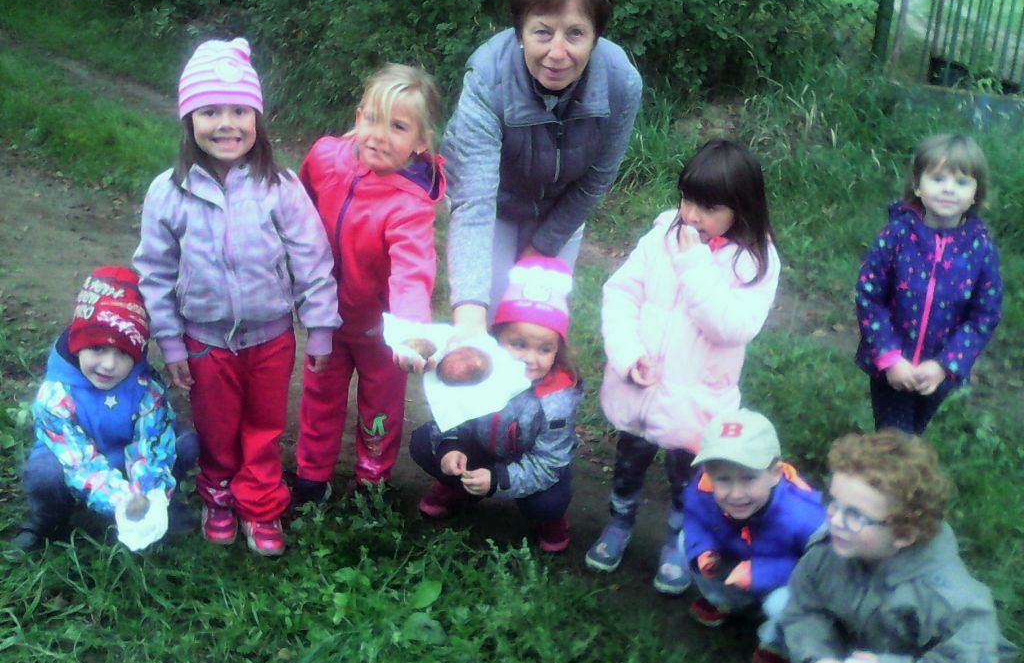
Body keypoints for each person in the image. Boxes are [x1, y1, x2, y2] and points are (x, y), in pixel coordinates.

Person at [134, 38, 340, 556]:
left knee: (264, 427)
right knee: (216, 427)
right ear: (189, 120)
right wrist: (171, 343)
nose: (226, 124)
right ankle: (219, 495)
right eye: (210, 112)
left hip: (271, 338)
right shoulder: (168, 191)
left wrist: (319, 327)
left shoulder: (281, 186)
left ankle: (261, 502)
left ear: (257, 119)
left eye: (239, 111)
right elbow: (154, 272)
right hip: (204, 341)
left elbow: (312, 258)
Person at [585, 139, 781, 595]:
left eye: (708, 208)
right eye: (687, 200)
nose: (691, 215)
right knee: (628, 462)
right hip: (641, 387)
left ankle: (679, 538)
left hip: (695, 399)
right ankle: (619, 522)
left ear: (741, 207)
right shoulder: (661, 236)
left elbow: (730, 327)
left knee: (688, 479)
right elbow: (621, 293)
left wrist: (694, 262)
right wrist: (627, 354)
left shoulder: (755, 262)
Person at [442, 0, 642, 342]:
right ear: (520, 33)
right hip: (494, 207)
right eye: (543, 32)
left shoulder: (622, 83)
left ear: (595, 38)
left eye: (575, 33)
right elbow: (475, 201)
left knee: (536, 328)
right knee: (491, 313)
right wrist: (468, 317)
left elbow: (596, 179)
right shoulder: (486, 79)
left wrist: (541, 248)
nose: (557, 53)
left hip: (560, 208)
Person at [293, 64, 446, 504]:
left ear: (420, 141)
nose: (379, 135)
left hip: (381, 332)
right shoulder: (325, 157)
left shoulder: (410, 206)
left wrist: (408, 333)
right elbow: (294, 207)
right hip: (325, 319)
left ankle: (371, 482)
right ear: (358, 118)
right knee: (319, 396)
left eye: (398, 127)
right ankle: (311, 477)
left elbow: (412, 272)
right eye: (373, 119)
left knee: (381, 407)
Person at [781, 430, 1017, 663]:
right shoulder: (827, 553)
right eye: (834, 502)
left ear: (903, 535)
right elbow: (804, 609)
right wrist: (817, 657)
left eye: (855, 515)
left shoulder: (948, 599)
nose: (836, 521)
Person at [14, 267, 198, 552]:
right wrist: (122, 501)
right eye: (97, 349)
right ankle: (48, 520)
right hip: (74, 462)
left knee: (184, 442)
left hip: (126, 461)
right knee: (45, 472)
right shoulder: (56, 393)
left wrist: (148, 496)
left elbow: (150, 445)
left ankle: (163, 505)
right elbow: (79, 462)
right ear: (77, 343)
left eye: (124, 352)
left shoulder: (146, 387)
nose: (109, 365)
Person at [409, 256, 583, 552]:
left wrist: (499, 479)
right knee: (425, 443)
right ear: (496, 337)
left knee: (548, 501)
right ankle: (460, 488)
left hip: (531, 462)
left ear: (558, 350)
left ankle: (550, 518)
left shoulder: (557, 397)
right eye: (519, 344)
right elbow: (450, 415)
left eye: (545, 349)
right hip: (481, 449)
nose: (530, 358)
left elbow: (549, 462)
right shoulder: (476, 367)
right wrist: (451, 447)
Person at [855, 133, 1002, 434]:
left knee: (913, 431)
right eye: (937, 178)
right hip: (892, 366)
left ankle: (896, 460)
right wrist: (890, 358)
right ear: (918, 186)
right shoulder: (896, 235)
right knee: (897, 439)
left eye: (961, 182)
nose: (948, 188)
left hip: (939, 370)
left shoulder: (981, 248)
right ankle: (891, 463)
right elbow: (869, 296)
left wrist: (946, 365)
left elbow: (984, 315)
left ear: (976, 194)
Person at [683, 409, 825, 663]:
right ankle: (725, 601)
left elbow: (820, 568)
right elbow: (694, 518)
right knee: (686, 543)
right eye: (723, 479)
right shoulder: (703, 488)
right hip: (737, 559)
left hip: (787, 579)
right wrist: (703, 549)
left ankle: (777, 644)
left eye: (749, 478)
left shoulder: (805, 516)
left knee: (783, 605)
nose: (736, 493)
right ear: (708, 473)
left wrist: (760, 573)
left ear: (775, 473)